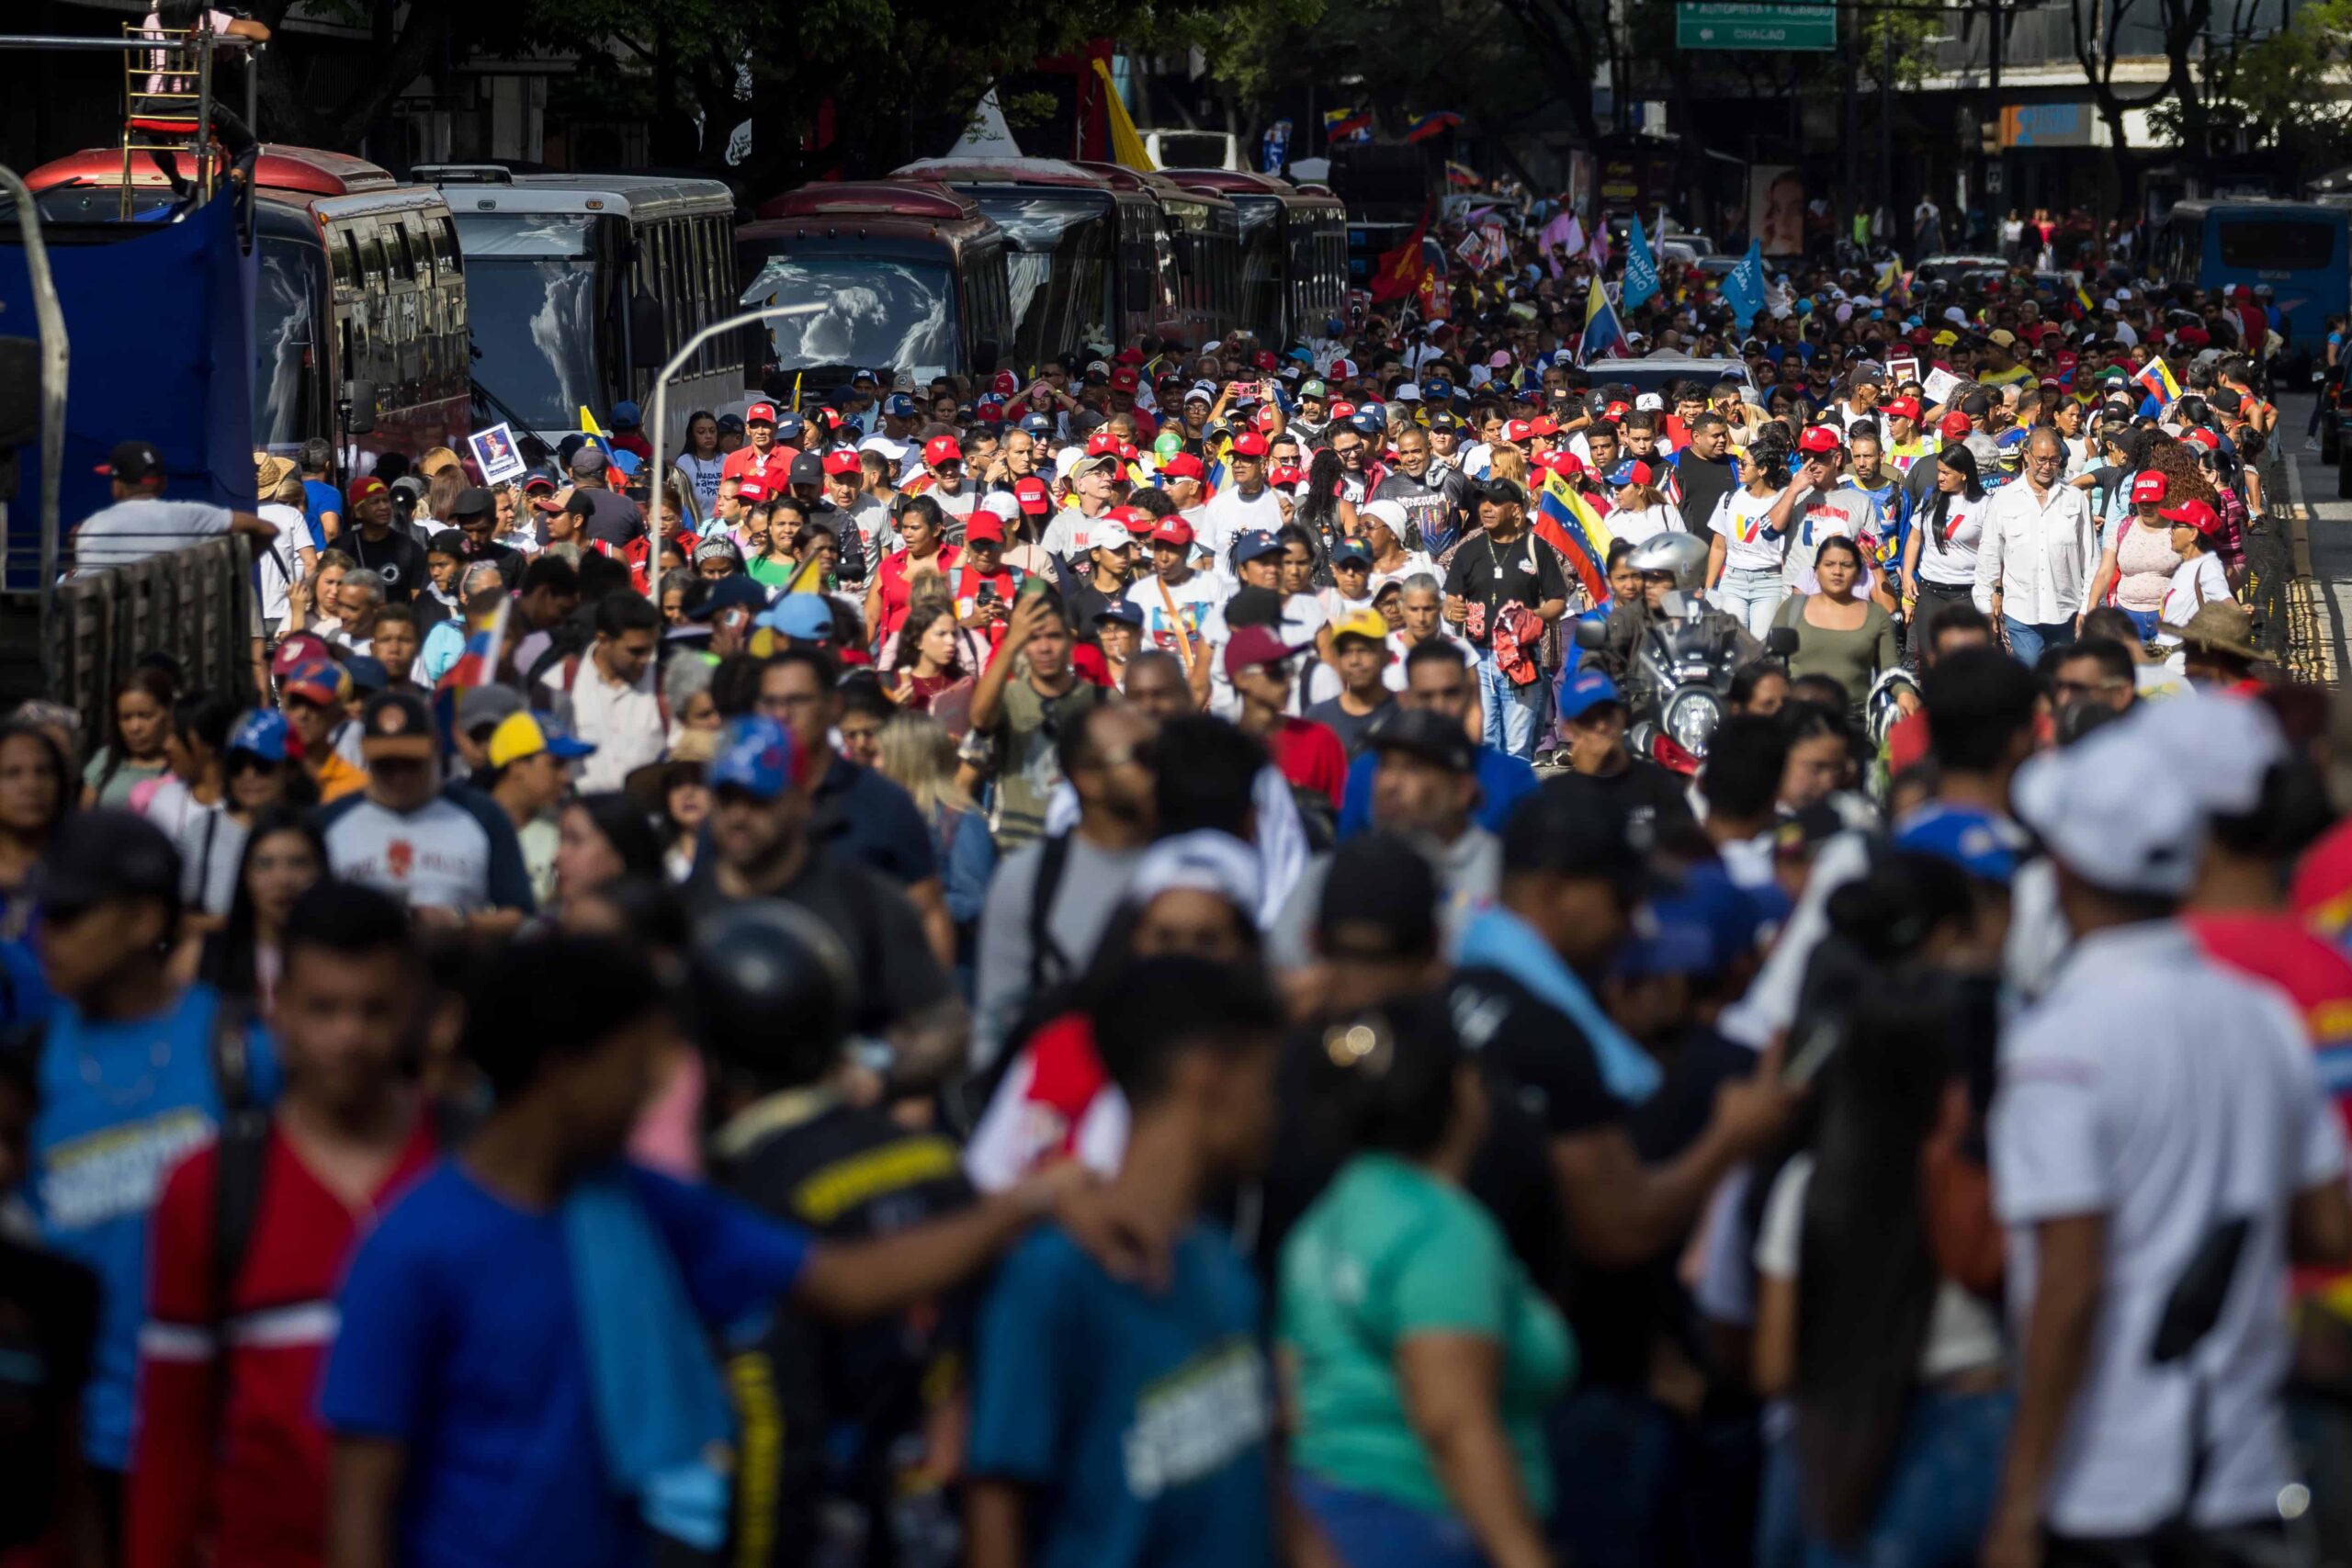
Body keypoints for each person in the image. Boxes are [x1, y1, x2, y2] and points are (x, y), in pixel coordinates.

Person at [319, 932, 1134, 1568]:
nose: (652, 1092)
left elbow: (843, 1282)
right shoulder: (413, 1251)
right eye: (634, 1069)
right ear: (562, 1072)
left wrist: (1028, 1201)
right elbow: (358, 1507)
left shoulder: (637, 1201)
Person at [1984, 703, 2352, 1568]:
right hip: (2248, 1470)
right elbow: (2325, 1226)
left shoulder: (2059, 1047)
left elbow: (2068, 1287)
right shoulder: (2262, 1015)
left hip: (2108, 1487)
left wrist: (2018, 1502)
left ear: (2067, 872)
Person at [129, 884, 437, 1568]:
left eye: (374, 1010)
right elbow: (172, 1434)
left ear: (413, 1006)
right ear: (278, 1007)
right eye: (322, 1008)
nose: (348, 1036)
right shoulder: (206, 1187)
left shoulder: (468, 1166)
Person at [966, 957, 1297, 1568]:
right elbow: (997, 1509)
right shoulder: (1052, 1281)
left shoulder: (1222, 1260)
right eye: (1267, 1079)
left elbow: (1266, 1489)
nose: (1277, 1109)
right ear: (1210, 1075)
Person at [24, 810, 279, 1542]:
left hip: (228, 1436)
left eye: (70, 914)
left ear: (143, 919)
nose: (48, 932)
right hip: (82, 1449)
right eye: (45, 912)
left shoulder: (239, 1050)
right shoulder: (32, 1065)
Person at [1281, 991, 1570, 1568]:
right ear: (1464, 1090)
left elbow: (1293, 1393)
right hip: (1427, 1530)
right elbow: (1454, 1421)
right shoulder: (1442, 1232)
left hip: (1332, 1518)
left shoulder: (1328, 1217)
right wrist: (1522, 1555)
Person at [693, 715, 966, 1084]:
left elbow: (945, 1026)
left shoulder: (866, 902)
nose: (739, 815)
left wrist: (880, 1077)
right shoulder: (680, 911)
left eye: (758, 799)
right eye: (726, 798)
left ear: (801, 800)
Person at [970, 702, 1159, 1066]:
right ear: (1087, 778)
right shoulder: (1031, 879)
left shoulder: (1192, 865)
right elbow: (997, 1021)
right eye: (1142, 756)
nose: (1160, 770)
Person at [318, 693, 535, 931]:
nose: (398, 776)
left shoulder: (484, 816)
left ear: (436, 747)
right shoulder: (328, 824)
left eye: (411, 762)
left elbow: (521, 916)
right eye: (385, 764)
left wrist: (461, 922)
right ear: (365, 753)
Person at [968, 592, 1106, 852]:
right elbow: (978, 719)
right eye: (1033, 638)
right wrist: (1010, 643)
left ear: (1069, 638)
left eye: (1054, 636)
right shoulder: (1007, 699)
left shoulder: (1099, 698)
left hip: (1082, 846)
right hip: (1016, 848)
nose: (1044, 647)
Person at [1442, 479, 1568, 762]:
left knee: (1517, 743)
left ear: (1516, 511)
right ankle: (1489, 803)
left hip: (1520, 657)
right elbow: (1450, 598)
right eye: (1483, 501)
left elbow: (1557, 600)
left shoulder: (1537, 548)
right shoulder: (1469, 550)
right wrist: (1452, 611)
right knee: (1484, 737)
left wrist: (1534, 616)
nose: (1486, 508)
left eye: (1496, 502)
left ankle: (1515, 803)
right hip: (1477, 657)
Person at [876, 708, 997, 962]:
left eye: (881, 754)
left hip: (953, 971)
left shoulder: (962, 821)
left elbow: (975, 900)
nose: (874, 763)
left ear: (906, 760)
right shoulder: (893, 816)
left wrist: (910, 901)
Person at [1973, 428, 2098, 663]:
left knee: (2061, 680)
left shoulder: (2075, 499)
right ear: (2026, 455)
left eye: (2054, 460)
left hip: (2065, 611)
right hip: (2020, 611)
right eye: (2041, 459)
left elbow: (2090, 558)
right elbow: (1989, 555)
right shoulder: (2004, 499)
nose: (2047, 466)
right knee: (2032, 677)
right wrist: (1986, 606)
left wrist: (2086, 608)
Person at [71, 438, 273, 575]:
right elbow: (266, 529)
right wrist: (235, 570)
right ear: (163, 483)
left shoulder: (93, 525)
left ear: (117, 486)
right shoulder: (192, 515)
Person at [1550, 667, 1699, 832]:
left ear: (1622, 715)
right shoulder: (1553, 800)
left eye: (1607, 714)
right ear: (1569, 730)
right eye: (1588, 719)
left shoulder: (1660, 787)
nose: (1601, 726)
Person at [544, 593, 663, 794]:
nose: (645, 659)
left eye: (649, 650)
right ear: (603, 640)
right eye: (636, 651)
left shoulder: (666, 685)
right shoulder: (557, 685)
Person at [1771, 536, 1902, 716]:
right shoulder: (1793, 608)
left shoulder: (1876, 615)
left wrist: (1905, 694)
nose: (1837, 571)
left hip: (1855, 721)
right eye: (1829, 564)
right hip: (1799, 719)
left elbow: (1890, 668)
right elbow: (1771, 663)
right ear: (1816, 571)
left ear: (1858, 573)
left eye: (1846, 565)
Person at [483, 711, 595, 908]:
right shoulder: (466, 827)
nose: (566, 777)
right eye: (556, 765)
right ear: (517, 766)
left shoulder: (565, 836)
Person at [1227, 625, 1347, 807]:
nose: (1287, 678)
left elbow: (1344, 821)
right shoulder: (1220, 751)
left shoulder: (1320, 739)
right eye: (1274, 669)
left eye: (1289, 666)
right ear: (1241, 679)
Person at [1900, 446, 1988, 649]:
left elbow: (1994, 551)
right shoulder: (1930, 498)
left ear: (1964, 475)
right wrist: (1907, 576)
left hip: (1967, 593)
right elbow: (1914, 538)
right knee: (1929, 655)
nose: (1939, 477)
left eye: (1946, 473)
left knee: (1965, 657)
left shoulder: (1984, 505)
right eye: (1939, 471)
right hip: (1930, 590)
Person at [2081, 469, 2182, 644]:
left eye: (2152, 501)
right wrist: (2091, 607)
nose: (2146, 507)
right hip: (2126, 617)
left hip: (2170, 618)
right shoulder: (2122, 528)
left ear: (2167, 498)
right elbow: (2105, 572)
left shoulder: (2180, 530)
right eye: (2141, 502)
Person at [1304, 609, 1397, 757]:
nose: (1354, 661)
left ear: (1387, 656)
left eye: (1364, 650)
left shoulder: (1407, 715)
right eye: (1346, 651)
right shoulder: (1318, 718)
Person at [85, 667, 176, 808]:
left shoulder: (181, 766)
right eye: (126, 718)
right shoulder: (105, 760)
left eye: (145, 716)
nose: (135, 727)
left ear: (167, 714)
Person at [2154, 498, 2231, 652]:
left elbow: (2230, 608)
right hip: (2167, 657)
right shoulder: (2188, 565)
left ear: (2193, 533)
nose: (2171, 530)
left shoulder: (2208, 567)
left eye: (2175, 526)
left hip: (2184, 663)